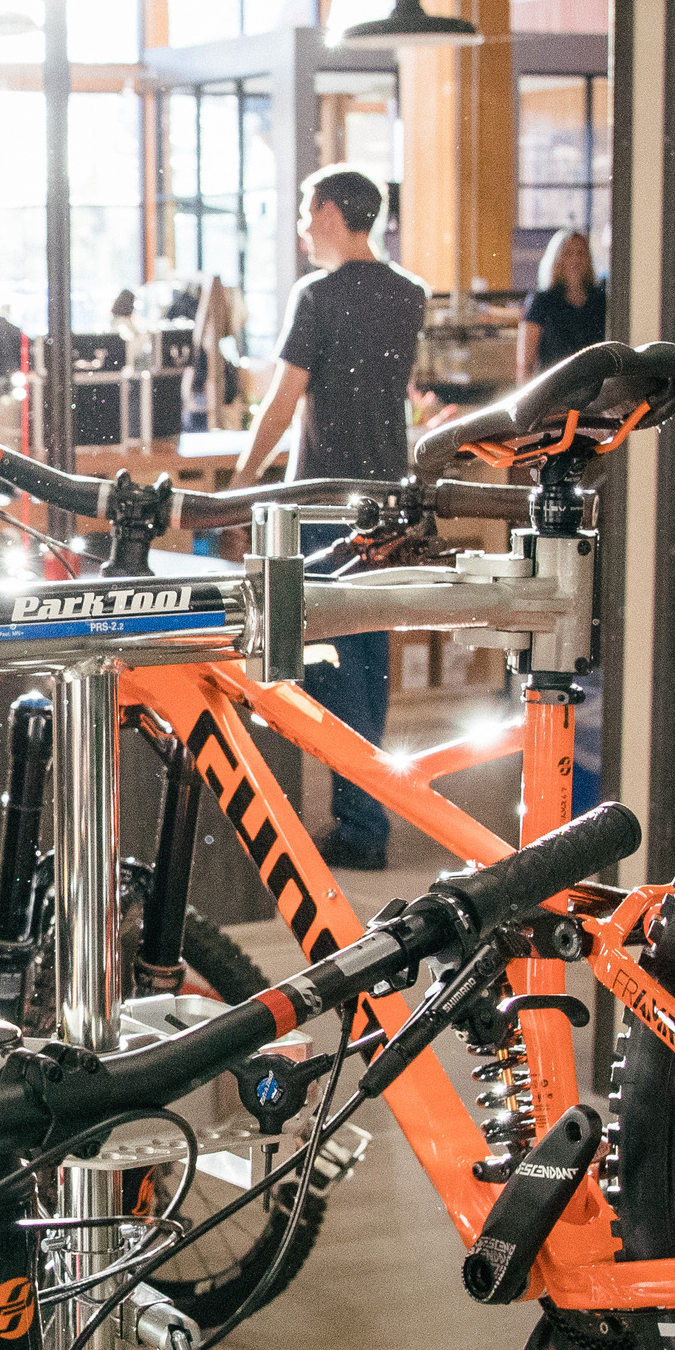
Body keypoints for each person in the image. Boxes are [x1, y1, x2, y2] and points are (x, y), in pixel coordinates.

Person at [232, 166, 427, 871]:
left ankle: (362, 822)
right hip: (386, 499)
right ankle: (368, 804)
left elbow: (283, 403)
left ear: (336, 213)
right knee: (368, 657)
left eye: (306, 212)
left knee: (327, 658)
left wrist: (240, 480)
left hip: (320, 499)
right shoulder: (410, 296)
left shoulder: (316, 296)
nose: (301, 226)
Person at [522, 226, 607, 372]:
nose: (575, 259)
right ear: (557, 259)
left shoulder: (600, 300)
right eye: (568, 253)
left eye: (581, 253)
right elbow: (526, 362)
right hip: (554, 386)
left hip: (594, 384)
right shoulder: (542, 301)